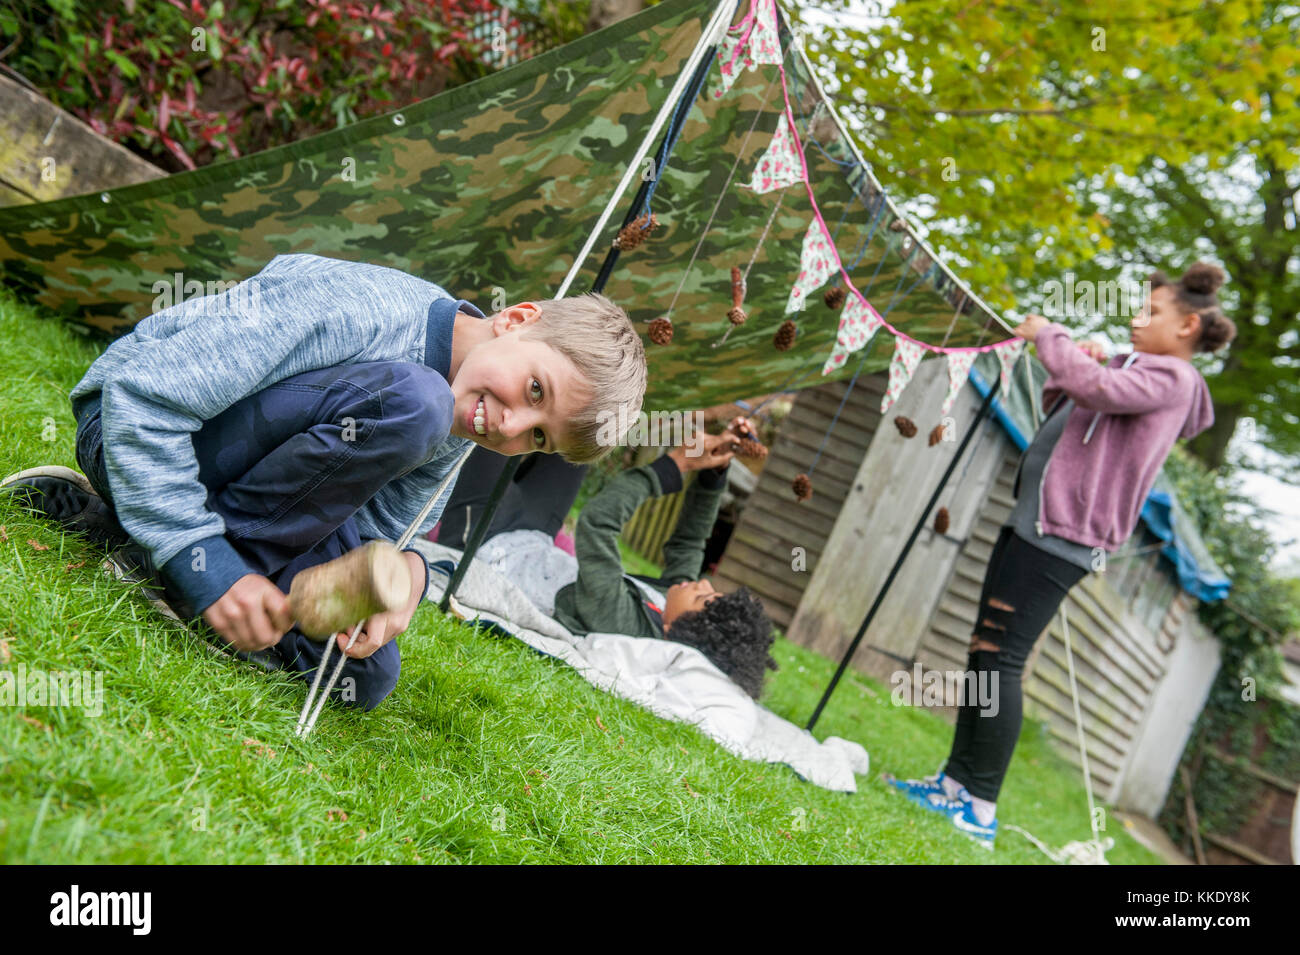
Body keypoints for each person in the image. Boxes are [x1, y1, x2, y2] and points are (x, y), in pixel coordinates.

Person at [1, 253, 646, 710]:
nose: (510, 425)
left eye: (538, 437)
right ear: (516, 319)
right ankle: (190, 562)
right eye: (536, 390)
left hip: (243, 511)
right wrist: (214, 568)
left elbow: (380, 538)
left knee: (365, 676)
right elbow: (144, 397)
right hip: (135, 433)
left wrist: (401, 584)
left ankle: (128, 542)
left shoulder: (468, 408)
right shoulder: (365, 312)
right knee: (416, 403)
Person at [884, 261, 1236, 848]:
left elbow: (1095, 390)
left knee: (1001, 661)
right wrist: (1077, 363)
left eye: (1150, 311)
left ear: (1187, 326)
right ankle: (954, 785)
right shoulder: (1137, 371)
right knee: (984, 656)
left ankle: (978, 806)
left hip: (1066, 535)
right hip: (1038, 518)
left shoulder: (1174, 379)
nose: (1134, 316)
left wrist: (1051, 336)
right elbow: (1070, 398)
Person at [445, 419, 778, 698]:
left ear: (678, 630)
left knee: (494, 426)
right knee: (583, 424)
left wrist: (678, 464)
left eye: (703, 596)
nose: (703, 582)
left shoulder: (619, 624)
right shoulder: (667, 609)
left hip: (486, 537)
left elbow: (598, 523)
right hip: (535, 536)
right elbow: (690, 542)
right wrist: (713, 474)